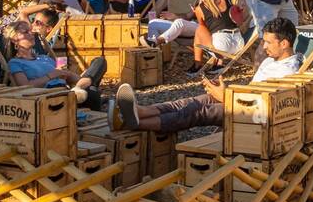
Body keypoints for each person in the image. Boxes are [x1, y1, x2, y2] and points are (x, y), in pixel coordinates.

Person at [111, 17, 302, 134]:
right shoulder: (270, 61)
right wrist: (224, 92)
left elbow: (268, 106)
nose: (264, 46)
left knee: (197, 112)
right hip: (240, 100)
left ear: (284, 43)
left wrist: (227, 98)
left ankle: (134, 125)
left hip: (254, 115)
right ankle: (140, 112)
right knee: (190, 101)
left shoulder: (289, 72)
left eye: (269, 42)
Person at [4, 19, 106, 109]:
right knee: (93, 94)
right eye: (26, 32)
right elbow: (24, 86)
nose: (31, 34)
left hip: (67, 89)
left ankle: (79, 88)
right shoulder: (15, 63)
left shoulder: (44, 57)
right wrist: (51, 75)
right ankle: (89, 91)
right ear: (14, 39)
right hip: (50, 97)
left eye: (31, 31)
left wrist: (66, 73)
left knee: (100, 61)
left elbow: (68, 76)